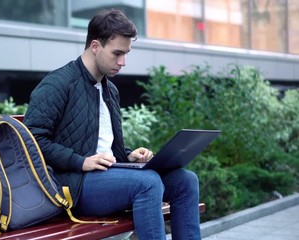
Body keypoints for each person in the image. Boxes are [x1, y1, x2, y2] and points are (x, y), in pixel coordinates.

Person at [23, 8, 201, 240]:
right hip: (72, 185)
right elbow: (32, 141)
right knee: (147, 183)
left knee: (186, 181)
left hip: (109, 175)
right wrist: (81, 161)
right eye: (117, 53)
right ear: (95, 46)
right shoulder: (58, 84)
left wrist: (128, 157)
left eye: (126, 53)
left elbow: (103, 144)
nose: (123, 62)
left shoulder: (110, 89)